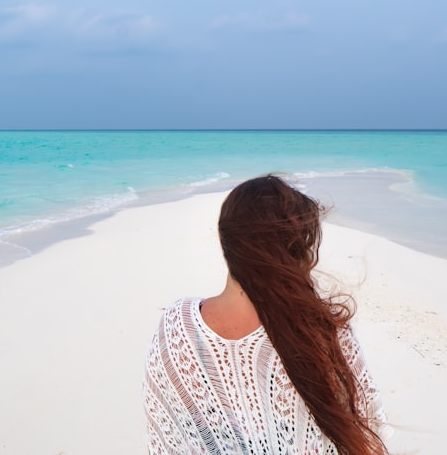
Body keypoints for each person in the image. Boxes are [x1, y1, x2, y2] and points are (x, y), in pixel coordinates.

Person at [143, 175, 388, 455]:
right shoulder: (322, 331)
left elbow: (168, 433)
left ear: (225, 241)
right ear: (300, 252)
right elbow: (368, 437)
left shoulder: (176, 324)